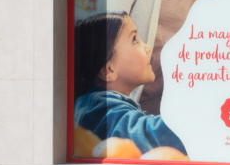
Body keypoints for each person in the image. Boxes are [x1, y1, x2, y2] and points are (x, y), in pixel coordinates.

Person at [72, 12, 186, 157]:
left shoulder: (101, 105)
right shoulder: (97, 107)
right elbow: (145, 138)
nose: (147, 47)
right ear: (109, 70)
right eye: (134, 40)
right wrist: (195, 116)